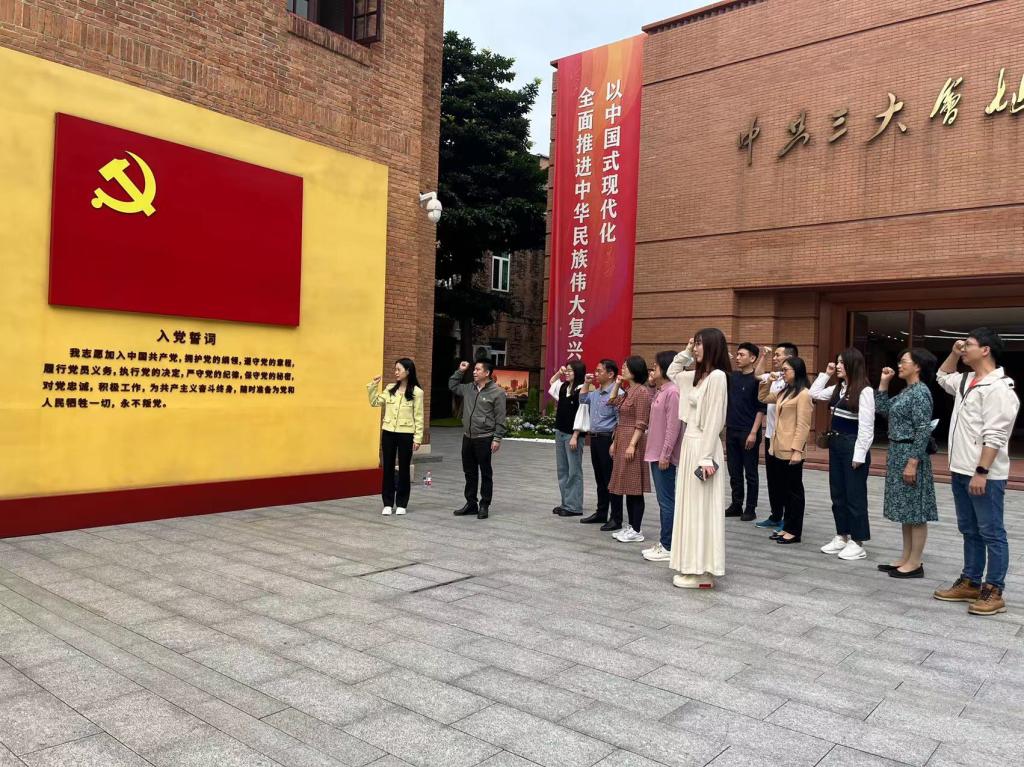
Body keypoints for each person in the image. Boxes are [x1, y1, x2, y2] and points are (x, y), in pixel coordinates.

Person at [933, 330, 1019, 615]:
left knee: (991, 532)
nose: (963, 349)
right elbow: (942, 376)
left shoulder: (999, 388)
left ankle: (994, 590)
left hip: (984, 474)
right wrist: (954, 352)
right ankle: (970, 581)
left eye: (968, 345)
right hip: (960, 469)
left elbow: (995, 434)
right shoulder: (966, 380)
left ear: (985, 350)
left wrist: (981, 471)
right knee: (969, 529)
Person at [667, 329, 730, 588]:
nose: (696, 348)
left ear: (713, 346)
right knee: (689, 507)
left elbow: (715, 419)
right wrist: (686, 351)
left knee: (702, 509)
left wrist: (705, 458)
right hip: (690, 445)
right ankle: (691, 566)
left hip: (704, 447)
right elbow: (672, 372)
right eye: (695, 343)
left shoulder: (717, 377)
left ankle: (703, 571)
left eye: (700, 344)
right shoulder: (696, 377)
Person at [875, 348, 938, 578]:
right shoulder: (907, 391)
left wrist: (913, 462)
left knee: (916, 511)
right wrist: (884, 383)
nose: (899, 365)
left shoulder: (921, 392)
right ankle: (906, 557)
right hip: (897, 452)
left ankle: (915, 562)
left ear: (917, 366)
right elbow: (883, 410)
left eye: (904, 362)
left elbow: (922, 429)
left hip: (911, 453)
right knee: (906, 510)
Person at [810, 348, 875, 560]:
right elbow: (813, 394)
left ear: (852, 365)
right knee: (837, 493)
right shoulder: (838, 388)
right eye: (836, 362)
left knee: (854, 495)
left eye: (841, 363)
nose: (837, 366)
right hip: (836, 444)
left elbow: (867, 427)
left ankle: (858, 541)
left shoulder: (864, 391)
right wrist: (826, 374)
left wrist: (859, 456)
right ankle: (842, 535)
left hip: (852, 445)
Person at [758, 356, 813, 544]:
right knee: (784, 490)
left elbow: (803, 425)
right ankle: (787, 526)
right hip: (778, 447)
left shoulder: (804, 394)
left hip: (791, 449)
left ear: (796, 371)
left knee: (794, 491)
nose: (783, 373)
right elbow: (763, 397)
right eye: (782, 370)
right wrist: (768, 381)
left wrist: (797, 450)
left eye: (786, 370)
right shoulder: (784, 391)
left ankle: (794, 531)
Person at [449, 359, 507, 520]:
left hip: (485, 438)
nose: (474, 372)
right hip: (468, 437)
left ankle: (484, 505)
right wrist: (460, 371)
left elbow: (500, 418)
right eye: (474, 369)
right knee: (469, 472)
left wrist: (497, 438)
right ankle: (471, 504)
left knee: (485, 473)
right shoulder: (469, 388)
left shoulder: (497, 392)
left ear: (487, 373)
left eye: (478, 369)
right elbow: (452, 385)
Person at [367, 358, 424, 516]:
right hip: (388, 433)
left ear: (408, 371)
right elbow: (375, 402)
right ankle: (387, 503)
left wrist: (418, 438)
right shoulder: (390, 388)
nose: (396, 372)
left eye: (399, 369)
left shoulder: (417, 392)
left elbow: (419, 416)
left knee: (404, 468)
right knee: (388, 468)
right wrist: (373, 386)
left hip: (406, 434)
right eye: (395, 369)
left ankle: (402, 503)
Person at [753, 343, 799, 532]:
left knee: (786, 481)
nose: (775, 358)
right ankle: (775, 515)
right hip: (770, 436)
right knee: (773, 479)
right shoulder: (776, 376)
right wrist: (763, 357)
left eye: (778, 355)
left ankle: (788, 519)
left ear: (790, 357)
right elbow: (757, 375)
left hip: (786, 439)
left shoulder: (797, 383)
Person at [607, 356, 653, 542]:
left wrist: (632, 445)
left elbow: (641, 422)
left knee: (634, 486)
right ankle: (631, 526)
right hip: (622, 437)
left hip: (632, 440)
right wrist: (618, 384)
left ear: (635, 370)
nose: (622, 369)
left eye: (626, 367)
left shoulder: (641, 392)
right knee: (626, 484)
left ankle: (637, 529)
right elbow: (612, 401)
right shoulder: (628, 391)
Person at [642, 351, 682, 562]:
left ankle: (668, 545)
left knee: (666, 501)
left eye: (655, 366)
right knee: (663, 500)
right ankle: (665, 541)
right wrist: (651, 385)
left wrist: (666, 454)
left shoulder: (673, 392)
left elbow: (673, 427)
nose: (652, 370)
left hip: (663, 456)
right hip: (655, 453)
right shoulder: (661, 390)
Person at [725, 342, 767, 521]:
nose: (738, 358)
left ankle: (751, 508)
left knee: (750, 472)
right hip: (732, 429)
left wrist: (753, 432)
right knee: (734, 471)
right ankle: (736, 504)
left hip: (749, 432)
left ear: (752, 358)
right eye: (737, 354)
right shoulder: (733, 377)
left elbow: (761, 408)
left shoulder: (757, 379)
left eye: (742, 355)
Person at [579, 360, 620, 530]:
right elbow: (582, 399)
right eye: (595, 371)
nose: (596, 374)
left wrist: (615, 443)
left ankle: (616, 517)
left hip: (607, 439)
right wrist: (586, 383)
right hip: (595, 439)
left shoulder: (617, 393)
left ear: (610, 374)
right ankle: (601, 512)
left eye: (599, 371)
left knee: (610, 479)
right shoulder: (595, 393)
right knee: (600, 478)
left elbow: (620, 421)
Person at [549, 361, 588, 518]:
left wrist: (575, 436)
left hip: (573, 436)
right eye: (567, 370)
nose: (567, 373)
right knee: (563, 470)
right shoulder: (564, 387)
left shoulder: (582, 390)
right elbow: (552, 382)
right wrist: (559, 372)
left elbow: (582, 414)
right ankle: (566, 503)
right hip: (560, 432)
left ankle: (574, 506)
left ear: (578, 372)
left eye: (570, 371)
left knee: (574, 471)